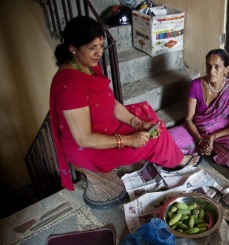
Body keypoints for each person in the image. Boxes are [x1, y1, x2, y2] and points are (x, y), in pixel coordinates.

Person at [50, 16, 200, 207]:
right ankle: (177, 161)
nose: (99, 53)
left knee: (148, 120)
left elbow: (111, 103)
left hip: (103, 126)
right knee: (154, 138)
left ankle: (169, 156)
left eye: (101, 46)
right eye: (92, 47)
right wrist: (129, 140)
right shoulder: (70, 85)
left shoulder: (85, 66)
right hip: (90, 147)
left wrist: (137, 123)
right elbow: (83, 138)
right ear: (73, 48)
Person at [168, 49, 229, 168]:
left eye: (217, 67)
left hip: (220, 134)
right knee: (167, 139)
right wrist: (200, 140)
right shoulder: (196, 85)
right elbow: (189, 119)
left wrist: (213, 136)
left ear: (226, 69)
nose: (212, 71)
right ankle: (203, 148)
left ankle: (204, 149)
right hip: (197, 131)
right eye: (209, 66)